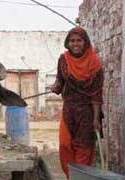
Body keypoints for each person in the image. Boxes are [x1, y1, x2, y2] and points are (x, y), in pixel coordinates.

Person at [49, 26, 104, 179]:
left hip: (87, 112)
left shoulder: (95, 64)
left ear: (85, 42)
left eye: (79, 40)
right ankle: (71, 177)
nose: (75, 44)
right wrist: (55, 87)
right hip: (68, 110)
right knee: (65, 146)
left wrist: (95, 119)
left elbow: (96, 95)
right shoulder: (63, 60)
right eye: (72, 41)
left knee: (84, 149)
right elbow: (59, 82)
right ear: (68, 43)